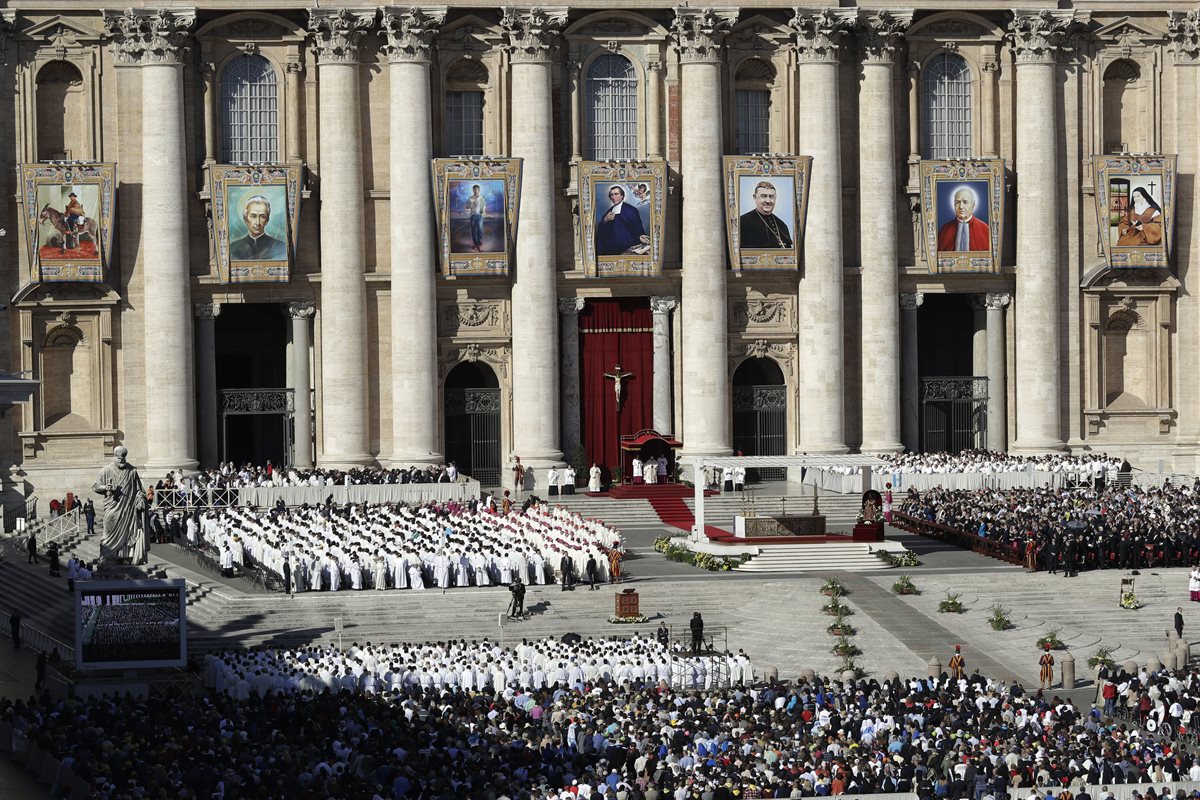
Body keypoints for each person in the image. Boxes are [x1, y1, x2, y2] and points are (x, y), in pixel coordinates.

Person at [92, 446, 147, 565]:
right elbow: (95, 486)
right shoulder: (106, 470)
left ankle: (123, 557)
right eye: (119, 459)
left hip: (128, 509)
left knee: (127, 534)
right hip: (112, 508)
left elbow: (139, 490)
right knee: (108, 532)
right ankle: (106, 557)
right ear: (114, 457)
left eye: (123, 458)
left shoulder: (132, 471)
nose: (121, 461)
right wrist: (105, 488)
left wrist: (140, 500)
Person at [595, 185, 649, 256]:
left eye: (616, 194)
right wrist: (605, 220)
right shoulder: (608, 212)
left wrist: (640, 236)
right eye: (611, 195)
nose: (613, 197)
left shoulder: (631, 210)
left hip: (627, 250)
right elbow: (601, 231)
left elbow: (637, 229)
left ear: (622, 196)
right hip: (611, 251)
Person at [229, 195, 286, 261]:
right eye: (253, 216)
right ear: (245, 219)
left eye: (262, 217)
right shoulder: (233, 248)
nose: (257, 222)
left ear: (267, 220)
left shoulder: (280, 247)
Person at [738, 181, 793, 249]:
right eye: (763, 196)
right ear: (754, 198)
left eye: (771, 197)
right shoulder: (742, 222)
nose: (768, 201)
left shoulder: (782, 225)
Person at [936, 187, 991, 252]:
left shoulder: (986, 229)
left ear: (973, 204)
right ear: (954, 204)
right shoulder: (944, 230)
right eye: (958, 202)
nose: (961, 206)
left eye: (965, 202)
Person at [464, 184, 487, 252]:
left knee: (480, 230)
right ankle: (475, 244)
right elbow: (466, 207)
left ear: (479, 190)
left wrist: (482, 211)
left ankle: (479, 243)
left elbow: (483, 206)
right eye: (474, 189)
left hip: (479, 216)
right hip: (473, 216)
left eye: (477, 189)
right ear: (473, 190)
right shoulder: (470, 198)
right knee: (473, 231)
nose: (476, 191)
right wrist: (471, 205)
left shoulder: (482, 198)